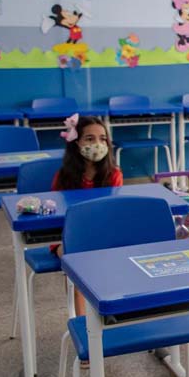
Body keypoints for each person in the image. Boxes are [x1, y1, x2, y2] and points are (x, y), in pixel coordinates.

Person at [51, 114, 123, 317]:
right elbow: (58, 214)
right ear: (76, 143)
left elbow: (114, 213)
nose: (97, 144)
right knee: (76, 260)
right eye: (89, 139)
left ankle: (132, 318)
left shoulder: (114, 174)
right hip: (68, 237)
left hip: (103, 235)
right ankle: (82, 322)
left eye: (102, 139)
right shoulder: (64, 176)